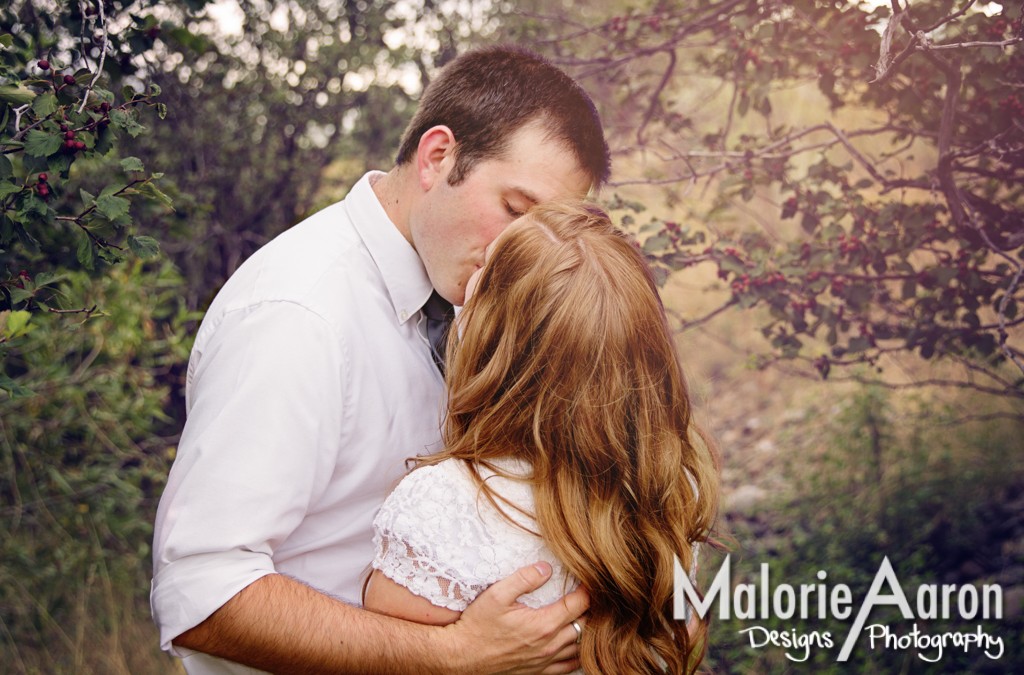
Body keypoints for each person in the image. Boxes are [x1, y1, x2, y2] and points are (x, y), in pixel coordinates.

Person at [150, 45, 610, 674]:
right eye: (515, 211)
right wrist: (450, 655)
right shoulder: (300, 314)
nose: (519, 255)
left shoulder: (466, 294)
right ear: (438, 156)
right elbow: (202, 593)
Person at [364, 202, 720, 674]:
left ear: (493, 341)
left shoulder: (445, 505)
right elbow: (679, 630)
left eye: (481, 281)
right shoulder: (671, 486)